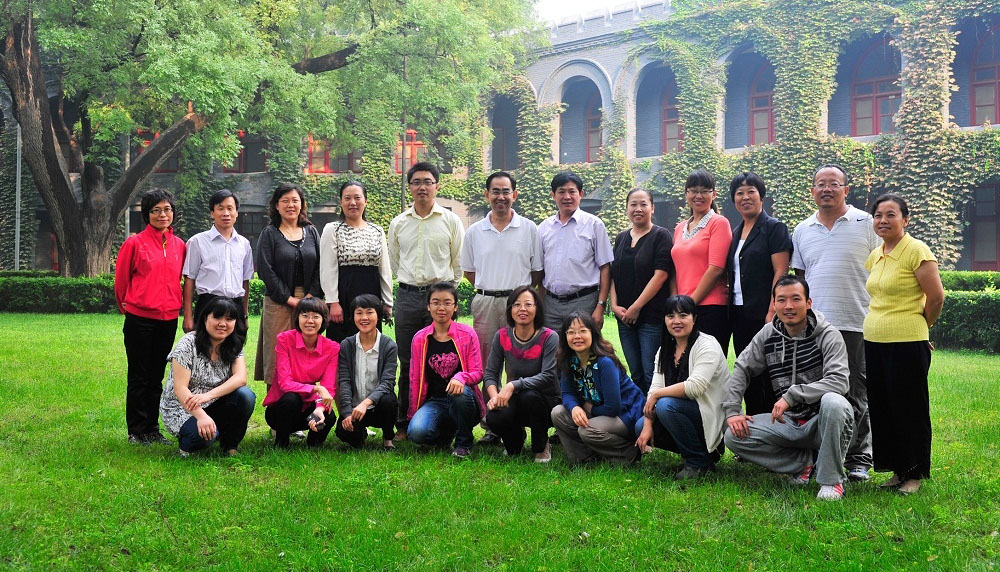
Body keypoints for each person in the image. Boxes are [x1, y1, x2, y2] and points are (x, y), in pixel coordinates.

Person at [722, 275, 854, 501]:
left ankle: (831, 481)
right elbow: (742, 366)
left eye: (796, 299)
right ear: (774, 304)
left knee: (833, 402)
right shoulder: (768, 334)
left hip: (825, 421)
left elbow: (839, 381)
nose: (789, 306)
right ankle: (805, 463)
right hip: (788, 422)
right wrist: (733, 410)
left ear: (808, 303)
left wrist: (793, 395)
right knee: (733, 437)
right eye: (781, 300)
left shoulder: (828, 335)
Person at [791, 164, 881, 482]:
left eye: (834, 184)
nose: (826, 189)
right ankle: (821, 454)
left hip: (857, 321)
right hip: (816, 327)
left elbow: (884, 268)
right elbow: (801, 279)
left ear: (846, 190)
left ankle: (859, 457)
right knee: (817, 390)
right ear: (812, 190)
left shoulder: (866, 223)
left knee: (857, 390)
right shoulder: (802, 230)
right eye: (820, 184)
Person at [863, 194, 944, 495]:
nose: (883, 220)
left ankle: (914, 474)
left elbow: (936, 297)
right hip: (875, 341)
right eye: (878, 215)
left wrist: (923, 327)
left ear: (905, 219)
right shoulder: (877, 254)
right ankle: (898, 470)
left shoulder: (917, 251)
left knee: (909, 409)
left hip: (907, 342)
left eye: (890, 214)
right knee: (883, 408)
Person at [461, 170, 543, 445]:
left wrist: (518, 296)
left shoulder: (529, 228)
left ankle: (518, 420)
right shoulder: (475, 231)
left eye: (506, 191)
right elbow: (469, 271)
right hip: (486, 301)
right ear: (487, 195)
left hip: (519, 303)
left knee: (521, 363)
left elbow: (536, 271)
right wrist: (492, 288)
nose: (500, 196)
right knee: (488, 363)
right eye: (495, 191)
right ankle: (492, 425)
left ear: (514, 195)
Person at [387, 162, 464, 440]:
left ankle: (450, 418)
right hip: (408, 298)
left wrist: (445, 296)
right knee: (408, 360)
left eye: (428, 182)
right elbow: (395, 261)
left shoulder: (450, 220)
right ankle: (404, 422)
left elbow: (458, 263)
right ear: (409, 187)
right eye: (416, 182)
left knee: (446, 359)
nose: (422, 187)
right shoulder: (399, 223)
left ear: (437, 186)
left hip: (440, 299)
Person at [115, 188, 187, 445]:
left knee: (156, 375)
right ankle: (136, 430)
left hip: (168, 319)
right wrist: (130, 308)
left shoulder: (179, 245)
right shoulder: (134, 243)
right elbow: (121, 282)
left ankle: (152, 429)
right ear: (147, 214)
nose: (162, 214)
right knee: (139, 375)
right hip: (140, 319)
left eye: (167, 209)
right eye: (156, 210)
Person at [634, 295, 729, 479]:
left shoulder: (707, 345)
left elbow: (695, 387)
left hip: (710, 415)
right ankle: (701, 454)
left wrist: (657, 395)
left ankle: (698, 461)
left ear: (694, 318)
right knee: (640, 426)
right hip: (683, 413)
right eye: (670, 316)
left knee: (665, 405)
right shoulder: (665, 349)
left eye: (683, 315)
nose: (676, 321)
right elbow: (654, 388)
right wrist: (647, 424)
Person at [725, 172, 792, 414]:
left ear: (761, 196)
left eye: (751, 191)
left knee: (769, 373)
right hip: (739, 314)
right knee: (747, 370)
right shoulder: (735, 232)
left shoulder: (774, 228)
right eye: (739, 193)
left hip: (764, 313)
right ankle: (754, 426)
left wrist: (772, 310)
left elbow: (781, 272)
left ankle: (775, 427)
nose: (745, 197)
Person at [160, 297, 256, 457]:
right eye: (217, 317)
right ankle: (187, 445)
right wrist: (201, 416)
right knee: (205, 437)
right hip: (183, 407)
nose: (223, 324)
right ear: (205, 319)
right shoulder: (187, 344)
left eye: (229, 319)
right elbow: (180, 389)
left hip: (214, 401)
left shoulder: (234, 343)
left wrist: (208, 396)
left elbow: (240, 378)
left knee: (245, 396)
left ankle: (230, 445)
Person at [550, 311, 645, 465]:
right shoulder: (568, 360)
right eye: (571, 332)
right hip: (598, 410)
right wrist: (575, 408)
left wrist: (589, 408)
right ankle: (584, 458)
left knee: (586, 430)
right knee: (558, 413)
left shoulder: (605, 362)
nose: (577, 336)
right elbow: (567, 393)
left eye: (582, 331)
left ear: (593, 333)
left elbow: (613, 407)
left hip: (624, 413)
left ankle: (630, 452)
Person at [255, 183, 323, 390]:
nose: (290, 205)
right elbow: (265, 270)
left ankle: (305, 404)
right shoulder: (269, 233)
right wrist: (289, 299)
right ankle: (277, 407)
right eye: (285, 201)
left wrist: (310, 296)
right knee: (277, 356)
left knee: (306, 354)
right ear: (276, 205)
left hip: (309, 301)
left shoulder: (311, 231)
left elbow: (321, 266)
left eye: (295, 200)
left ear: (302, 204)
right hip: (278, 302)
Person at [406, 282, 485, 459]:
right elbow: (415, 379)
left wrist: (461, 377)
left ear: (455, 307)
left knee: (459, 393)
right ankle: (447, 432)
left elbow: (478, 372)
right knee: (417, 433)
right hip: (434, 401)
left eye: (447, 303)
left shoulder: (467, 334)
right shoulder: (420, 338)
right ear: (428, 306)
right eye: (436, 302)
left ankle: (463, 443)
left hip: (464, 399)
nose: (441, 308)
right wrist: (413, 414)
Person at [483, 287, 560, 462]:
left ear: (537, 308)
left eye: (528, 304)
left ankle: (542, 445)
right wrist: (495, 398)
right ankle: (516, 440)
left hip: (546, 400)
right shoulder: (501, 336)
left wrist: (513, 385)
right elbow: (490, 374)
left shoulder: (549, 337)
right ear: (510, 309)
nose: (522, 309)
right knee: (494, 417)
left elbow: (548, 375)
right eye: (517, 305)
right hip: (517, 397)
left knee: (529, 396)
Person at [609, 188, 675, 393]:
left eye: (643, 204)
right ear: (627, 208)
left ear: (652, 208)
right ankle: (639, 411)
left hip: (651, 317)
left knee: (651, 372)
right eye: (633, 204)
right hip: (624, 318)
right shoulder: (621, 238)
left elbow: (661, 274)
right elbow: (613, 274)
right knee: (636, 373)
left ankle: (655, 412)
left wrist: (636, 307)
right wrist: (614, 305)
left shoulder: (661, 235)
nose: (638, 209)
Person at [539, 171, 614, 332]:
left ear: (581, 194)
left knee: (582, 346)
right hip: (550, 305)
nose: (567, 196)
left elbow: (605, 267)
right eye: (561, 191)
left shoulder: (594, 225)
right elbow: (540, 270)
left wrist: (600, 305)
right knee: (552, 346)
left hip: (584, 302)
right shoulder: (544, 228)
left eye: (572, 191)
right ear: (553, 195)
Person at [320, 180, 393, 344]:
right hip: (344, 296)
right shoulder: (332, 229)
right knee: (341, 345)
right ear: (341, 202)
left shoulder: (377, 230)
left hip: (372, 294)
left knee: (370, 344)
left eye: (357, 198)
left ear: (365, 201)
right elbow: (327, 268)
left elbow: (384, 268)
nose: (352, 202)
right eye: (347, 198)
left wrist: (387, 302)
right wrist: (333, 302)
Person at [261, 297, 338, 448]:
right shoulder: (284, 340)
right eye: (305, 316)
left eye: (316, 316)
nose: (310, 321)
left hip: (307, 408)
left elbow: (328, 386)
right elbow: (285, 383)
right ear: (297, 318)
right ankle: (281, 442)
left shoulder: (332, 348)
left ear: (323, 320)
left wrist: (320, 408)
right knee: (291, 399)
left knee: (329, 417)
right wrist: (316, 388)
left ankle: (313, 444)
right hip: (281, 409)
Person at [671, 170, 733, 357]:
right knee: (684, 363)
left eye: (705, 191)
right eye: (693, 190)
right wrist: (676, 304)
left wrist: (688, 304)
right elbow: (675, 269)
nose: (698, 196)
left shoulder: (719, 223)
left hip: (711, 308)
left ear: (714, 194)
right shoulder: (680, 228)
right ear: (686, 194)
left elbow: (716, 268)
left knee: (708, 364)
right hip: (683, 309)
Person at [181, 189, 254, 335]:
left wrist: (245, 315)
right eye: (220, 208)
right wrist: (187, 315)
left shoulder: (244, 244)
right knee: (205, 348)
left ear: (236, 212)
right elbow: (189, 279)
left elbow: (245, 281)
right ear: (212, 213)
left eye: (230, 208)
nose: (226, 213)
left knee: (234, 347)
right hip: (208, 304)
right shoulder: (198, 242)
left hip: (236, 306)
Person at [335, 294, 399, 450]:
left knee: (389, 401)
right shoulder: (346, 345)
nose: (364, 317)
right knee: (344, 433)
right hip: (355, 408)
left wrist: (366, 403)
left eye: (369, 312)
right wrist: (347, 412)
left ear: (378, 315)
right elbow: (344, 381)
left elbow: (388, 383)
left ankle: (388, 438)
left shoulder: (388, 346)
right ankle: (360, 433)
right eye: (359, 313)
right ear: (353, 317)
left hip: (378, 406)